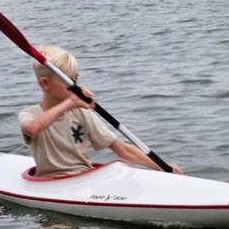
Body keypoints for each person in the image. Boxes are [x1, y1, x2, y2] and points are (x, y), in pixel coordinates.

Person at [18, 44, 183, 176]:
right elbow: (33, 129)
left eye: (75, 80)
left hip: (82, 178)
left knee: (120, 166)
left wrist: (162, 167)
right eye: (67, 81)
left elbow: (122, 149)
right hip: (52, 184)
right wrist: (70, 103)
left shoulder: (81, 112)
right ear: (45, 84)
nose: (74, 86)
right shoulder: (30, 114)